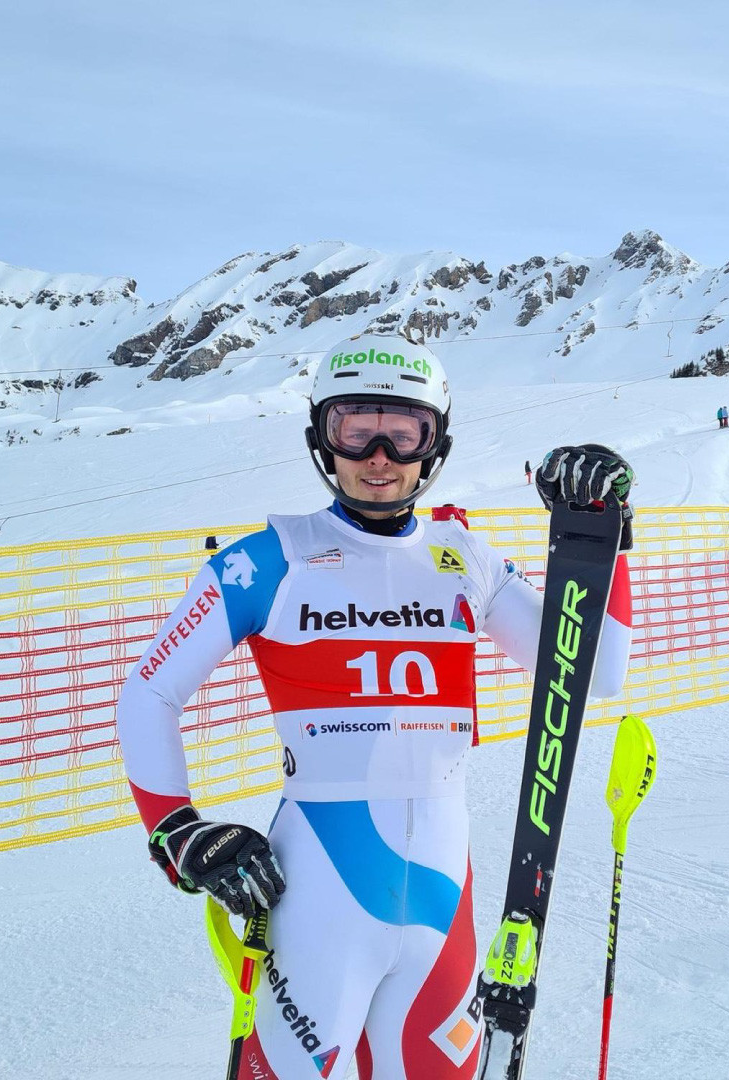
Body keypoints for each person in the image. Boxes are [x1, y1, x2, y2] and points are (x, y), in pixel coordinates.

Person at [115, 333, 635, 1080]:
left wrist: (608, 536)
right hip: (319, 898)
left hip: (441, 900)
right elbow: (149, 693)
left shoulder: (467, 559)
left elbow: (597, 671)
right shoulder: (270, 557)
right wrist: (178, 832)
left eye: (405, 429)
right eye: (354, 426)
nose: (380, 452)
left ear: (436, 444)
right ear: (322, 439)